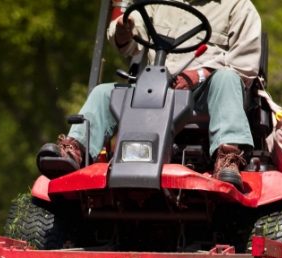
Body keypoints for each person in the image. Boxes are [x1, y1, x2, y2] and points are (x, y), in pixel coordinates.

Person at [36, 0, 262, 191]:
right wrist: (124, 30)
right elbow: (128, 43)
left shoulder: (238, 6)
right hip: (158, 87)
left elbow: (245, 66)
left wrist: (199, 75)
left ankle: (228, 159)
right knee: (104, 92)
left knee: (227, 78)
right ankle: (74, 152)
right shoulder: (158, 3)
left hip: (207, 92)